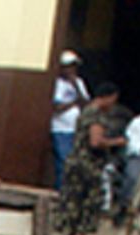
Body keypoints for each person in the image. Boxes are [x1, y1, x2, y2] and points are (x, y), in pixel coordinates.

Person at [53, 82, 126, 235]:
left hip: (75, 163)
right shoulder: (96, 116)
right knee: (90, 205)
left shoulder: (84, 112)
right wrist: (116, 142)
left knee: (74, 202)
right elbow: (96, 142)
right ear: (108, 97)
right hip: (88, 165)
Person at [50, 50, 90, 190]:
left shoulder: (79, 82)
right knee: (64, 162)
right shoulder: (57, 84)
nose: (71, 70)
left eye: (74, 66)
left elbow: (86, 103)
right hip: (61, 128)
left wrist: (77, 88)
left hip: (75, 128)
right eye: (68, 66)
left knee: (75, 164)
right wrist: (74, 102)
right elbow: (57, 107)